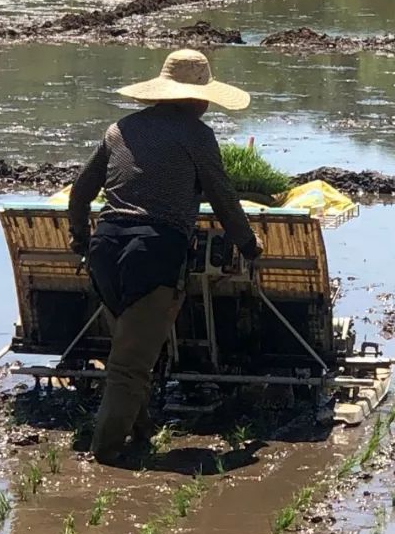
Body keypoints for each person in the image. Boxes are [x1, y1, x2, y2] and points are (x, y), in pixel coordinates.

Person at [67, 49, 262, 465]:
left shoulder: (119, 130)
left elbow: (81, 191)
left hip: (106, 248)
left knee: (129, 349)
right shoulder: (197, 135)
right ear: (196, 99)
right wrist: (248, 245)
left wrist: (80, 239)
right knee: (129, 366)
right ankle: (105, 456)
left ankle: (141, 433)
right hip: (153, 251)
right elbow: (223, 197)